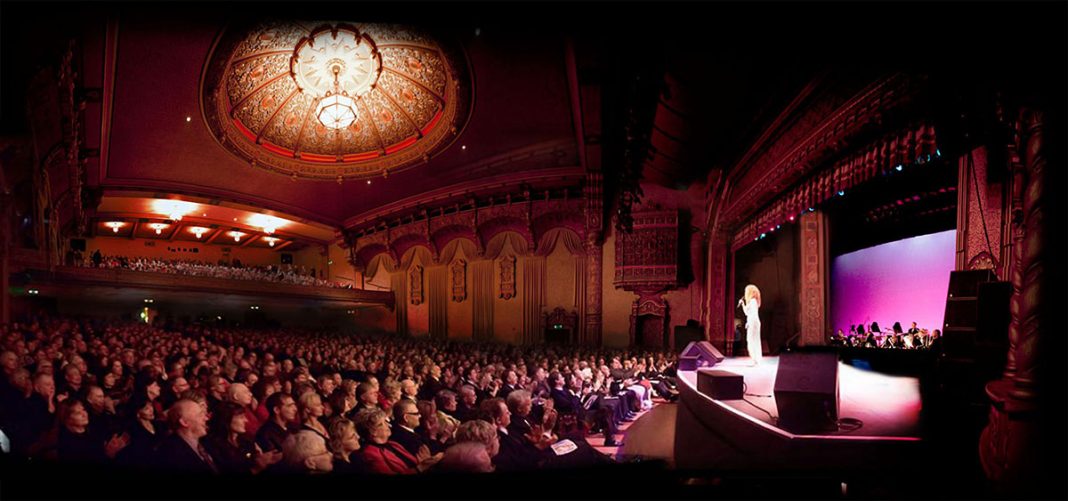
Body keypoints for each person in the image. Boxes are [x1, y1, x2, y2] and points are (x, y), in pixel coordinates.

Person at [738, 284, 762, 365]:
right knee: (751, 340)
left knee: (752, 340)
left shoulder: (753, 301)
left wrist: (749, 322)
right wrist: (742, 304)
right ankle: (755, 359)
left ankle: (755, 359)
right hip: (753, 322)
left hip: (753, 322)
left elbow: (753, 314)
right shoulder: (752, 301)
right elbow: (747, 313)